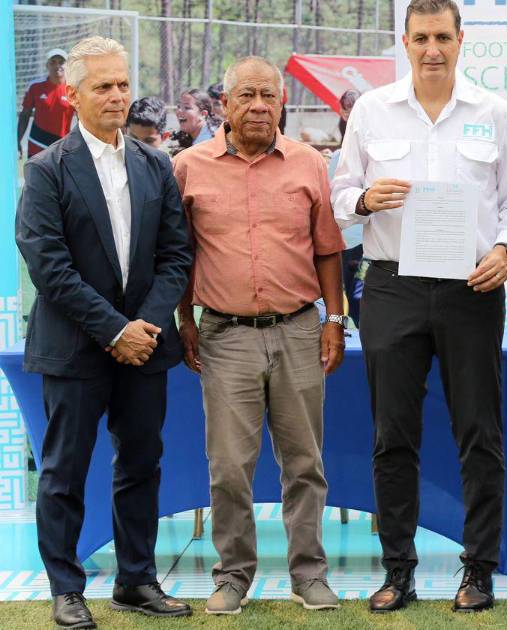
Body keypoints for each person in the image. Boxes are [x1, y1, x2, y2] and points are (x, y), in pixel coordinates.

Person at [331, 0, 507, 613]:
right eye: (421, 38)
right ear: (406, 42)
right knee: (392, 435)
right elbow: (338, 196)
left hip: (472, 287)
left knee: (480, 432)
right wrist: (365, 199)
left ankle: (479, 572)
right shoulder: (372, 110)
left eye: (442, 36)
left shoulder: (494, 111)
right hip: (393, 286)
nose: (432, 49)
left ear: (460, 40)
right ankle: (398, 572)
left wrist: (505, 249)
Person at [15, 36, 193, 629]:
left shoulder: (155, 165)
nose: (117, 95)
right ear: (72, 95)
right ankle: (66, 589)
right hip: (75, 347)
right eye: (103, 86)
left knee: (141, 464)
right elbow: (49, 267)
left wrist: (144, 326)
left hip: (144, 347)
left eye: (123, 84)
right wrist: (116, 330)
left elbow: (175, 255)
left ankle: (136, 580)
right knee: (64, 472)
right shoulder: (46, 170)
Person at [174, 56, 347, 616]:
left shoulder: (309, 164)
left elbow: (328, 250)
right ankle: (232, 576)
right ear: (224, 104)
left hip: (298, 330)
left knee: (304, 462)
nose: (257, 106)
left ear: (282, 103)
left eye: (268, 96)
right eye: (245, 96)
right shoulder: (189, 167)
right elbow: (178, 254)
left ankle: (309, 574)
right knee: (229, 466)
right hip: (225, 335)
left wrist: (334, 319)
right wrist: (185, 320)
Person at [328, 89, 364, 326]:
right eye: (348, 108)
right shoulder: (338, 157)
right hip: (347, 241)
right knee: (349, 298)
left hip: (364, 242)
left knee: (358, 299)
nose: (352, 113)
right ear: (342, 112)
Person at [17, 49, 74, 158]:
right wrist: (18, 141)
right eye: (53, 62)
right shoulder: (35, 87)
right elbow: (24, 116)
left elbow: (83, 119)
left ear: (67, 66)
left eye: (61, 62)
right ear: (47, 66)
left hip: (62, 147)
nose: (57, 66)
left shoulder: (73, 89)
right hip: (37, 144)